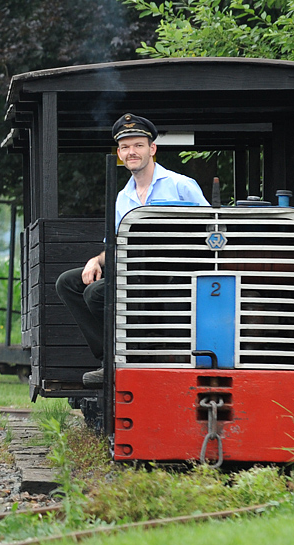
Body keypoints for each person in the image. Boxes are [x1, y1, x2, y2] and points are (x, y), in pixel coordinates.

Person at [55, 113, 208, 386]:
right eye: (125, 147)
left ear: (152, 149)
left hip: (174, 269)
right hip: (133, 265)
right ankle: (109, 358)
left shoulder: (180, 185)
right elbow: (113, 243)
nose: (131, 152)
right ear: (119, 154)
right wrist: (96, 261)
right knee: (68, 282)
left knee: (96, 293)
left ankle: (134, 353)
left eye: (138, 145)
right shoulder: (122, 197)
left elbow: (211, 230)